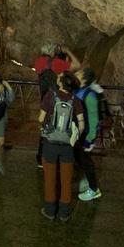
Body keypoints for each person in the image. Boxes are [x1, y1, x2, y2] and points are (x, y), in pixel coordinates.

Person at [37, 79, 82, 222]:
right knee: (66, 180)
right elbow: (81, 123)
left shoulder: (50, 96)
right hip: (67, 146)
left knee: (50, 179)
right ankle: (64, 213)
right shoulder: (76, 100)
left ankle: (50, 211)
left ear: (61, 84)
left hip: (50, 144)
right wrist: (75, 136)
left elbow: (40, 118)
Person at [72, 70, 103, 202]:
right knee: (79, 157)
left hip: (86, 134)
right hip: (79, 132)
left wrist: (90, 139)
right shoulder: (79, 90)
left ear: (84, 80)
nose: (75, 75)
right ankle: (88, 180)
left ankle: (94, 189)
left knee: (85, 160)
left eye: (78, 74)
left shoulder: (89, 96)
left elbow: (94, 119)